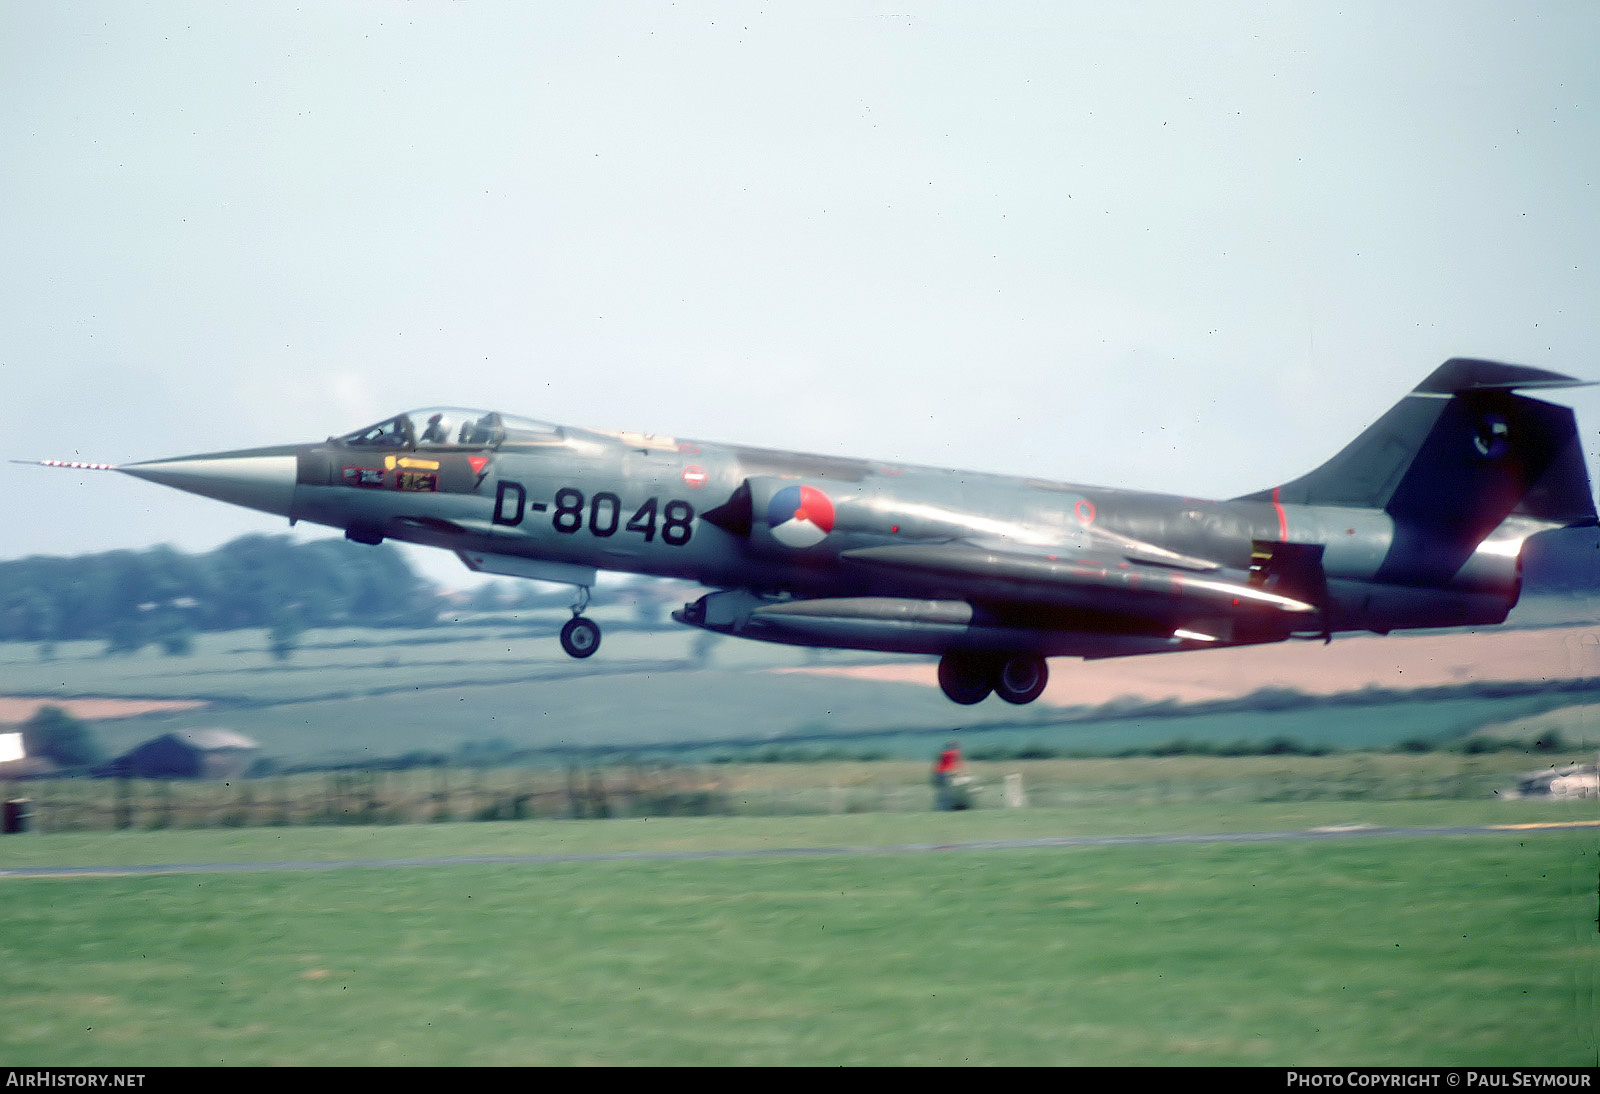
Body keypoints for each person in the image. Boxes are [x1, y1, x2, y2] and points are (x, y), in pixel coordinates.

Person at [932, 739, 966, 811]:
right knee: (949, 792)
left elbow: (938, 765)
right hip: (947, 773)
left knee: (942, 792)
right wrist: (960, 773)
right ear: (955, 746)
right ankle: (949, 808)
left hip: (938, 774)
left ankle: (939, 807)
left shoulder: (943, 753)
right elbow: (959, 765)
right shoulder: (956, 753)